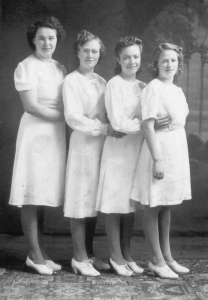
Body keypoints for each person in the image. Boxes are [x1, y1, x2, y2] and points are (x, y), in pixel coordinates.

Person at [63, 30, 124, 277]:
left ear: (100, 54)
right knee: (80, 199)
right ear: (77, 52)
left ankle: (88, 254)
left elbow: (110, 113)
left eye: (94, 51)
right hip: (83, 146)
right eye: (85, 50)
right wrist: (101, 126)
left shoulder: (102, 82)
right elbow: (73, 117)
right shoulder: (71, 80)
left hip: (101, 147)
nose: (90, 55)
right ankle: (78, 257)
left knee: (93, 202)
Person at [9, 16, 67, 275]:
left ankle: (41, 253)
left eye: (51, 38)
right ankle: (33, 255)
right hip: (35, 134)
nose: (47, 43)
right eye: (41, 38)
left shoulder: (59, 68)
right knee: (31, 194)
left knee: (42, 193)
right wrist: (66, 116)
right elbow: (31, 106)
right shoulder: (26, 66)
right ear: (33, 40)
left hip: (54, 136)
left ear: (57, 40)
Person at [131, 43, 191, 279]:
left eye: (173, 60)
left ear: (179, 64)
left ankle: (167, 257)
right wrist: (157, 160)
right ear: (156, 64)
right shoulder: (153, 88)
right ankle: (156, 260)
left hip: (176, 149)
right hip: (159, 150)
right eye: (164, 60)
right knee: (153, 204)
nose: (169, 65)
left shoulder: (176, 90)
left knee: (166, 204)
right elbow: (147, 124)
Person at [95, 36, 147, 277]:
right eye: (126, 57)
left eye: (135, 56)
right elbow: (117, 123)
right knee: (115, 204)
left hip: (135, 151)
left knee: (129, 206)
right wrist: (143, 124)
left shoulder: (143, 87)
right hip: (117, 152)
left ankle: (126, 255)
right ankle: (115, 256)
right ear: (118, 59)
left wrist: (145, 122)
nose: (131, 61)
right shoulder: (114, 84)